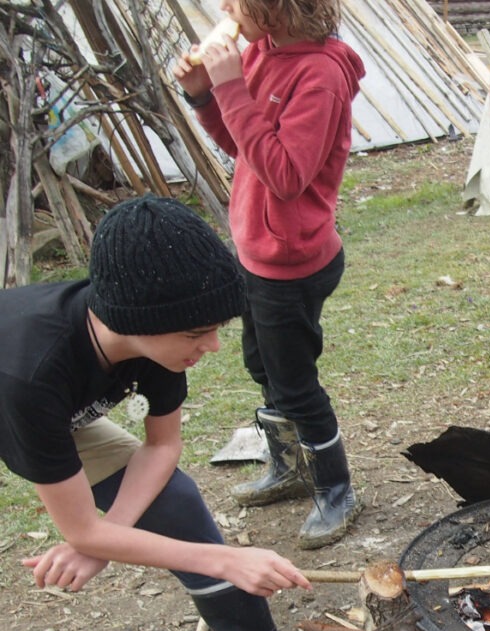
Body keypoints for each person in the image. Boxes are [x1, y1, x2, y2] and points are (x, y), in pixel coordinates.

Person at [0, 194, 350, 631]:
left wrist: (103, 540)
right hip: (21, 398)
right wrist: (224, 560)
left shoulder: (153, 343)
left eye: (217, 329)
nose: (213, 346)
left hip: (54, 412)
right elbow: (81, 528)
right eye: (197, 333)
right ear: (136, 322)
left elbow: (161, 448)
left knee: (176, 503)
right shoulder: (30, 374)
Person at [173, 0, 366, 550]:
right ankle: (290, 468)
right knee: (262, 366)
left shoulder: (320, 76)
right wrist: (205, 96)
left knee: (295, 384)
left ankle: (336, 489)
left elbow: (284, 176)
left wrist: (230, 86)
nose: (225, 9)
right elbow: (245, 148)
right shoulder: (261, 51)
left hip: (293, 262)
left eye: (237, 0)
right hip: (255, 252)